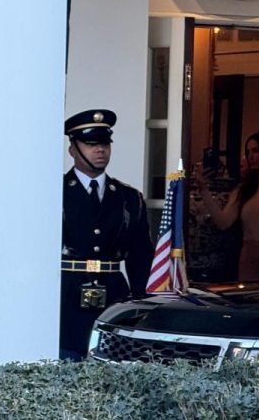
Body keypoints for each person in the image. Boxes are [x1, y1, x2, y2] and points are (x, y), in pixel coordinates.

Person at [60, 109, 152, 361]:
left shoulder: (129, 197)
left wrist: (141, 302)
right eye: (91, 144)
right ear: (72, 150)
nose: (100, 150)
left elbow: (140, 255)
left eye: (105, 144)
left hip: (113, 294)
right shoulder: (55, 192)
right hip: (66, 295)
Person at [198, 131, 259, 279]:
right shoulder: (245, 189)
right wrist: (203, 190)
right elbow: (223, 222)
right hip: (250, 257)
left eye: (256, 151)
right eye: (248, 152)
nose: (250, 156)